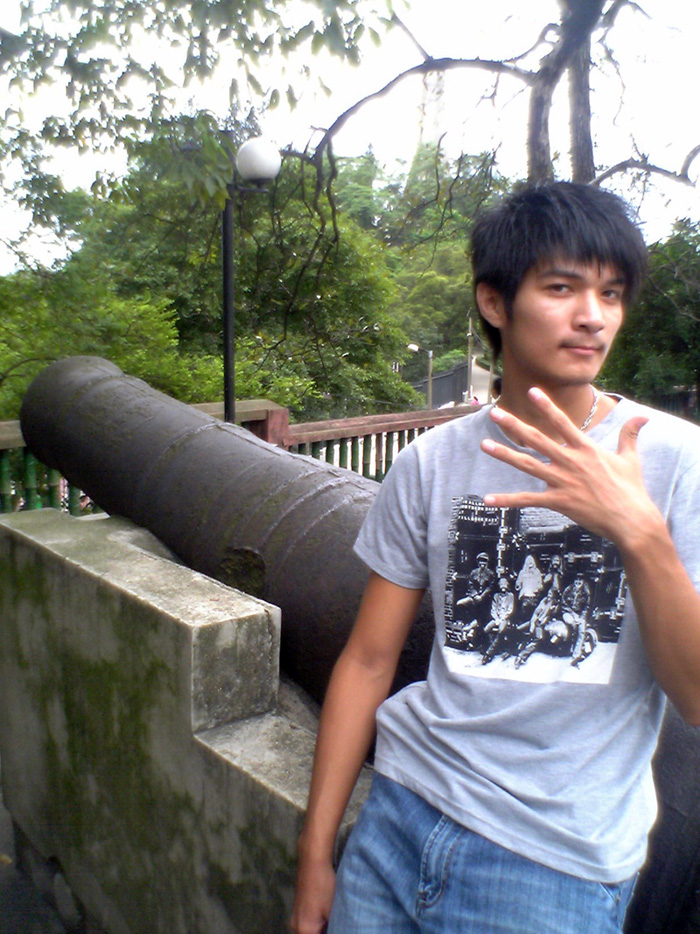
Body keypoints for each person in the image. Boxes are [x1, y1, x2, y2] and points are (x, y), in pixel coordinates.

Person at [291, 181, 700, 934]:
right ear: (494, 302)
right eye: (562, 288)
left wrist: (639, 533)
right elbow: (369, 661)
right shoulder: (430, 462)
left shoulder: (673, 460)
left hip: (551, 862)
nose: (593, 315)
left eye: (611, 293)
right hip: (401, 813)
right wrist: (316, 855)